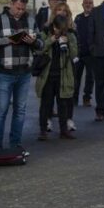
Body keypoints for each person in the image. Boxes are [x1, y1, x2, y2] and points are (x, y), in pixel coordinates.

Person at [0, 0, 42, 148]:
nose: (20, 11)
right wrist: (9, 40)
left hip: (24, 72)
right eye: (18, 8)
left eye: (23, 8)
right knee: (1, 109)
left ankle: (15, 144)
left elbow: (41, 44)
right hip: (5, 72)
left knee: (20, 110)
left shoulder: (31, 20)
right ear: (11, 4)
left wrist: (33, 42)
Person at [35, 8, 78, 140]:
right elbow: (38, 50)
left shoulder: (70, 35)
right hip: (47, 75)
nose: (59, 32)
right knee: (46, 104)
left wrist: (67, 43)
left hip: (63, 75)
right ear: (53, 26)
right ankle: (43, 131)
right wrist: (51, 40)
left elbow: (75, 55)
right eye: (57, 29)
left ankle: (63, 130)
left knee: (63, 104)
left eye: (62, 29)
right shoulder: (45, 33)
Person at [73, 0, 95, 107]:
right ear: (82, 5)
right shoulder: (78, 18)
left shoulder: (96, 18)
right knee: (76, 77)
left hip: (91, 54)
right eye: (86, 3)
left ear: (93, 5)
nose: (88, 5)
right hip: (79, 52)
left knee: (90, 77)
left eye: (90, 3)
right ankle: (74, 98)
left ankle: (87, 98)